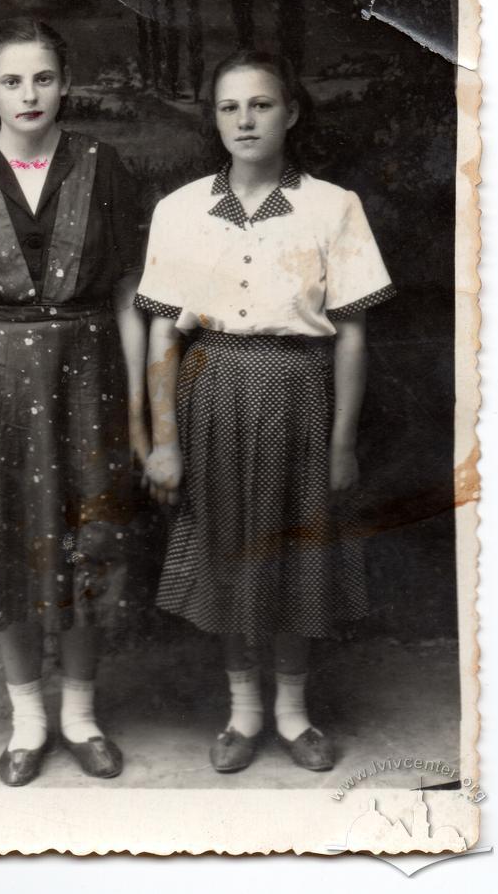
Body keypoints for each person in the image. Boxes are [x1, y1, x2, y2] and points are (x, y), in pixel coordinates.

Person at [135, 49, 395, 774]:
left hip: (300, 392)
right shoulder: (181, 209)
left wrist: (341, 441)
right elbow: (162, 328)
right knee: (229, 553)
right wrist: (164, 438)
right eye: (229, 107)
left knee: (294, 553)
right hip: (211, 390)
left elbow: (352, 332)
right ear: (213, 118)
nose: (245, 119)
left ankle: (292, 712)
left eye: (260, 104)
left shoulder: (332, 206)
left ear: (292, 111)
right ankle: (243, 712)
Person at [0, 17, 148, 787]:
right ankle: (28, 720)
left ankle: (82, 716)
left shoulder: (101, 164)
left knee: (90, 542)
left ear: (66, 83)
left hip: (90, 382)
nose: (30, 94)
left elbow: (127, 297)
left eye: (44, 78)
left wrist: (142, 417)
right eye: (12, 80)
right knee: (10, 538)